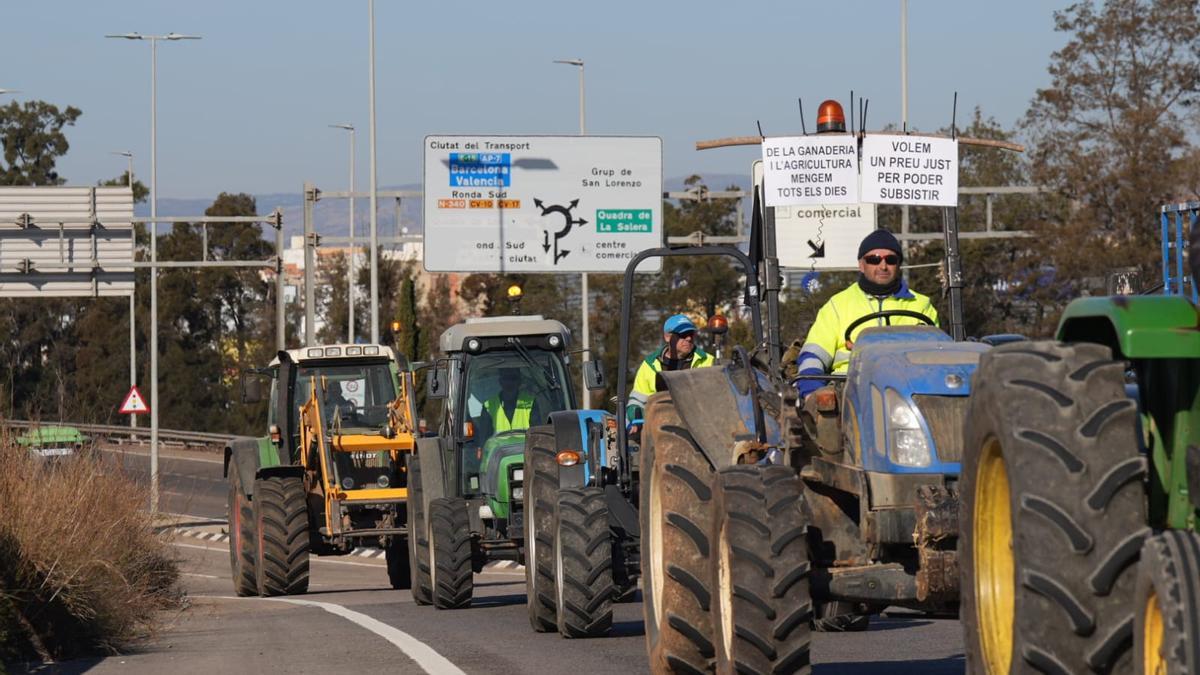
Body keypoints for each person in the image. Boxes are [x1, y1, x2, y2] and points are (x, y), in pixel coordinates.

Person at [793, 229, 939, 400]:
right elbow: (814, 353)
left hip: (908, 393)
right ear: (861, 265)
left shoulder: (922, 306)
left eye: (890, 260)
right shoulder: (837, 305)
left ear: (898, 265)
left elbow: (935, 358)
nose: (883, 266)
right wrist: (812, 392)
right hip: (848, 392)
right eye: (874, 259)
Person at [627, 314, 715, 432]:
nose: (688, 338)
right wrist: (636, 419)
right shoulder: (650, 366)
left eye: (691, 334)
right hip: (660, 429)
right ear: (667, 337)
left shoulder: (708, 362)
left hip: (701, 428)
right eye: (683, 335)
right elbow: (636, 402)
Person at [480, 367, 537, 438]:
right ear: (500, 381)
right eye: (506, 378)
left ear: (519, 381)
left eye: (513, 378)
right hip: (498, 449)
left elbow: (537, 434)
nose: (509, 382)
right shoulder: (488, 406)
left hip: (525, 448)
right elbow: (483, 439)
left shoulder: (530, 402)